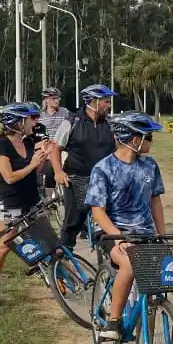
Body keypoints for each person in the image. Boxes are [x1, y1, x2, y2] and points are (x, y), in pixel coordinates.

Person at [85, 111, 167, 342]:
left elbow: (155, 201)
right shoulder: (103, 169)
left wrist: (162, 234)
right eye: (148, 135)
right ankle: (114, 321)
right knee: (130, 264)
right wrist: (118, 237)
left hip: (144, 234)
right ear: (133, 139)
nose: (151, 140)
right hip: (112, 232)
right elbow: (97, 211)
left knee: (153, 290)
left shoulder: (150, 165)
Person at [0, 102, 52, 308]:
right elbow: (9, 177)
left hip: (32, 199)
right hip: (11, 201)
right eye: (30, 118)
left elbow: (34, 171)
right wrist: (33, 164)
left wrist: (43, 159)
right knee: (5, 245)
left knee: (48, 239)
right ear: (18, 123)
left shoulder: (28, 142)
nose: (35, 122)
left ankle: (60, 275)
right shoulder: (1, 145)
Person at [50, 84, 116, 253]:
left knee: (108, 220)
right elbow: (55, 149)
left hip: (104, 180)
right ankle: (63, 257)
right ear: (92, 102)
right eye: (105, 102)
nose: (109, 106)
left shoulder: (110, 124)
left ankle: (109, 261)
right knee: (73, 220)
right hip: (76, 177)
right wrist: (58, 171)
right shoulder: (72, 121)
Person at [36, 87, 70, 197]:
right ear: (46, 100)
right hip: (45, 149)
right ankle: (48, 198)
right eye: (54, 98)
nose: (57, 100)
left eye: (58, 98)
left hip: (61, 148)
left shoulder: (65, 113)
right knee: (45, 170)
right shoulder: (39, 116)